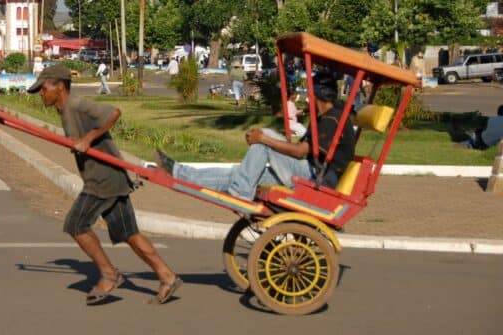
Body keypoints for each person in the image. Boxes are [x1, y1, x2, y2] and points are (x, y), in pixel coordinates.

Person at [27, 65, 181, 305]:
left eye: (43, 89)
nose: (41, 94)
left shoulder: (76, 104)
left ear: (59, 86)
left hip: (103, 179)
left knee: (76, 224)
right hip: (108, 177)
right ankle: (167, 276)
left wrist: (87, 139)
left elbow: (114, 113)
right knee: (129, 234)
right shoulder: (65, 110)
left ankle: (110, 274)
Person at [155, 72, 355, 201]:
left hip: (314, 178)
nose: (308, 95)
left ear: (316, 93)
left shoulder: (332, 119)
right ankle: (180, 173)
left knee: (265, 136)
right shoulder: (322, 117)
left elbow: (302, 151)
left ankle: (241, 192)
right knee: (240, 174)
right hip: (308, 171)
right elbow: (301, 150)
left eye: (310, 91)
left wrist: (265, 140)